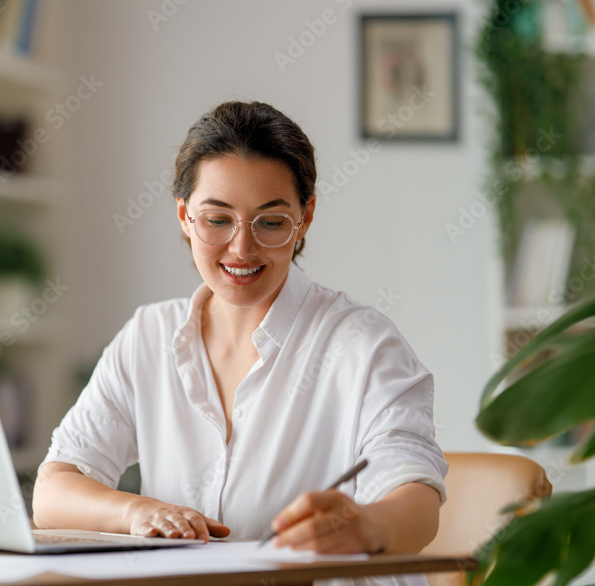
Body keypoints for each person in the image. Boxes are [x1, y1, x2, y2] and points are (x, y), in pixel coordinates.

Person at [32, 101, 446, 571]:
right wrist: (138, 510)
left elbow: (416, 497)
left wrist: (367, 525)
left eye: (270, 222)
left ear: (304, 218)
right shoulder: (148, 337)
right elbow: (54, 488)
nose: (242, 248)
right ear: (185, 216)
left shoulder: (364, 344)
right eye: (217, 219)